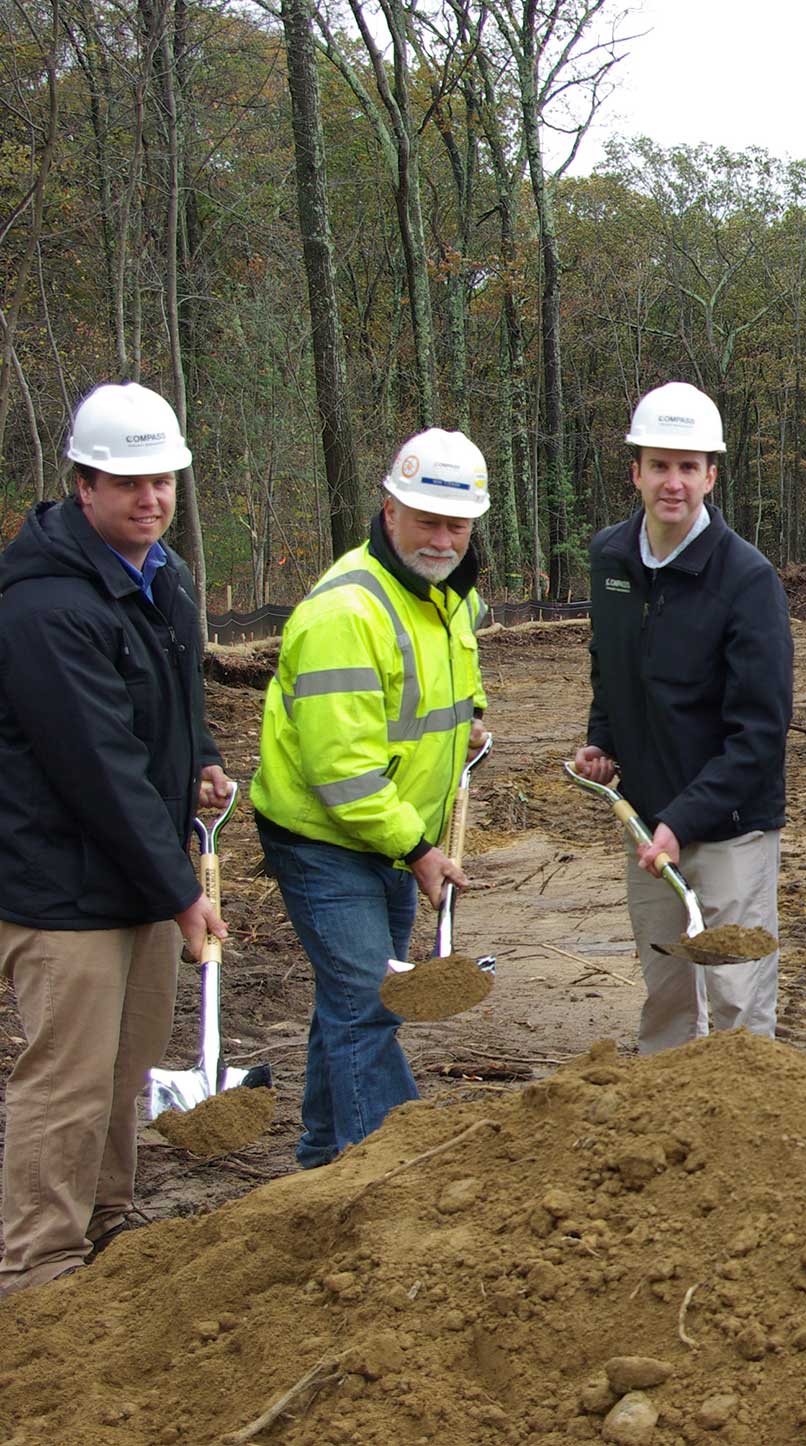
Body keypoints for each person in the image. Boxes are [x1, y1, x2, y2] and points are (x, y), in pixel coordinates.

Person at [0, 383, 232, 1295]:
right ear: (84, 485)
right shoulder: (44, 609)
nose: (150, 500)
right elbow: (96, 769)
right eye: (128, 483)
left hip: (139, 869)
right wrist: (184, 895)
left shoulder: (159, 576)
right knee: (66, 1079)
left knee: (127, 1067)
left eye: (163, 481)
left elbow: (170, 705)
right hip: (61, 888)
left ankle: (106, 1223)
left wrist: (200, 759)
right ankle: (38, 1266)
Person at [251, 428, 491, 1167]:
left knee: (351, 1001)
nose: (442, 538)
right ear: (390, 512)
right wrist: (417, 850)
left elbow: (446, 689)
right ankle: (390, 1173)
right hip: (326, 838)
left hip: (386, 837)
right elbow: (342, 770)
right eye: (427, 520)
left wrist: (473, 718)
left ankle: (324, 1153)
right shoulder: (345, 614)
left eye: (456, 525)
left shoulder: (451, 599)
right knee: (370, 1002)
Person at [572, 382, 791, 1051]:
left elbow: (760, 733)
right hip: (645, 817)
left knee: (734, 993)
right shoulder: (610, 558)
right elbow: (610, 666)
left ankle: (745, 1127)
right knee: (666, 988)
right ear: (635, 470)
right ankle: (663, 1131)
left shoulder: (746, 581)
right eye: (660, 465)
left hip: (728, 828)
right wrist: (602, 742)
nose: (674, 482)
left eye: (688, 467)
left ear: (711, 474)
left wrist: (683, 822)